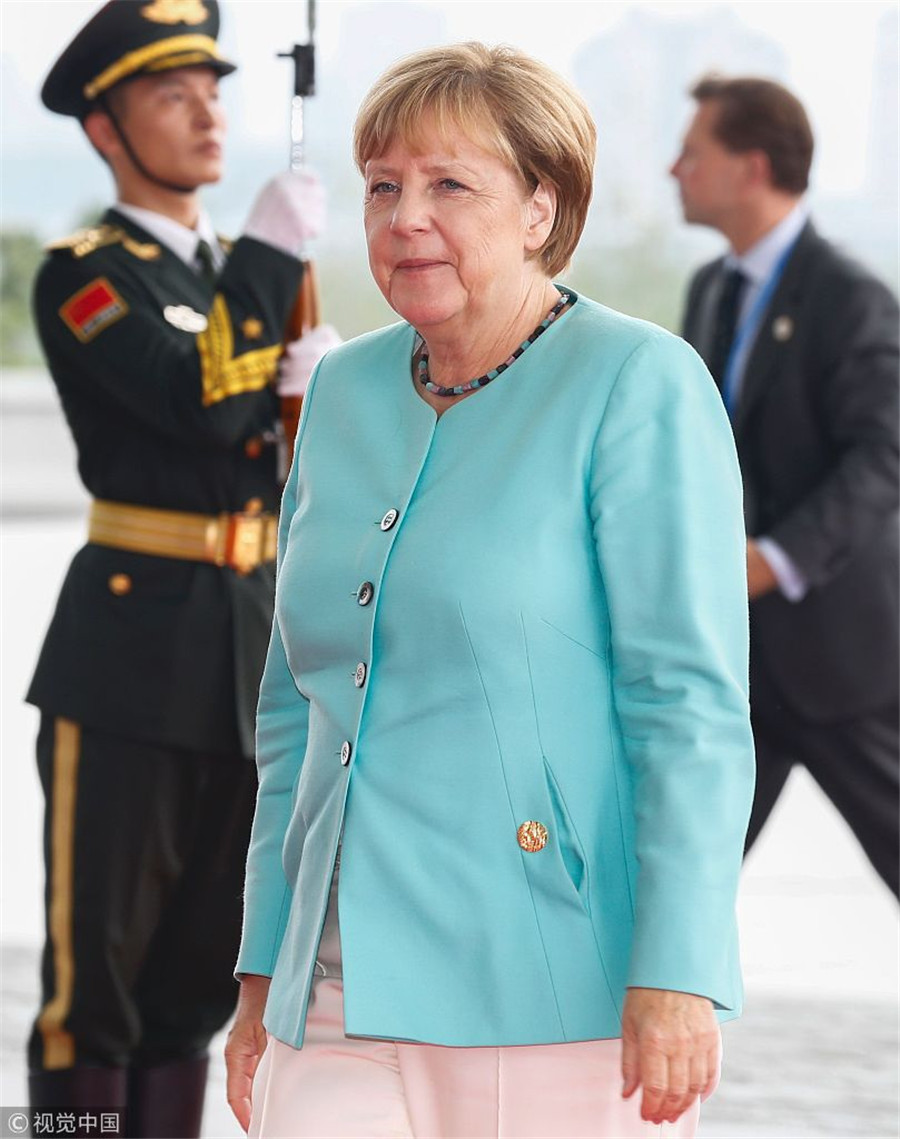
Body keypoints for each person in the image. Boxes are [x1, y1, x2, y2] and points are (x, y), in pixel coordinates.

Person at [225, 43, 755, 1139]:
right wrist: (258, 970)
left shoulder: (638, 382)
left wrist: (679, 968)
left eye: (450, 185)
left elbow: (688, 706)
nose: (406, 217)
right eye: (383, 186)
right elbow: (293, 713)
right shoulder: (341, 387)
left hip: (548, 983)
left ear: (539, 208)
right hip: (331, 993)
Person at [27, 2, 338, 1134]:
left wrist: (325, 396)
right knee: (92, 991)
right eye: (173, 95)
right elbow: (195, 400)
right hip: (128, 658)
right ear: (105, 129)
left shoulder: (239, 277)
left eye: (214, 91)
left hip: (249, 655)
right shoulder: (86, 276)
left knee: (198, 982)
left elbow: (279, 462)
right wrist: (265, 256)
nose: (209, 114)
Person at [671, 76, 899, 898]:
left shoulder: (849, 296)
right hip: (735, 661)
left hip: (840, 656)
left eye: (693, 152)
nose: (674, 169)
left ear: (752, 167)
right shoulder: (711, 289)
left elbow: (884, 455)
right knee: (677, 871)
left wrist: (773, 559)